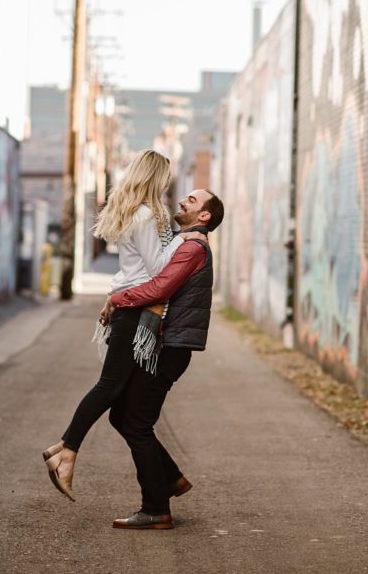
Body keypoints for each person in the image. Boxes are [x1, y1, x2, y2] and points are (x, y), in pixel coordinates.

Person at [42, 151, 204, 500]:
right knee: (110, 387)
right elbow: (158, 268)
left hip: (130, 304)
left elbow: (132, 269)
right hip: (135, 310)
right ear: (155, 178)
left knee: (121, 402)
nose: (167, 186)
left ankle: (170, 476)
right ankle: (66, 452)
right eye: (165, 178)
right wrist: (184, 239)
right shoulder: (147, 216)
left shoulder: (140, 213)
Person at [102, 188, 225, 530]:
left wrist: (118, 297)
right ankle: (170, 479)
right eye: (186, 196)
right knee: (122, 415)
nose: (184, 200)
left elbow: (159, 289)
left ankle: (156, 508)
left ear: (204, 217)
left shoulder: (192, 247)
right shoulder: (182, 243)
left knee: (136, 423)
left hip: (170, 348)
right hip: (165, 345)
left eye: (193, 201)